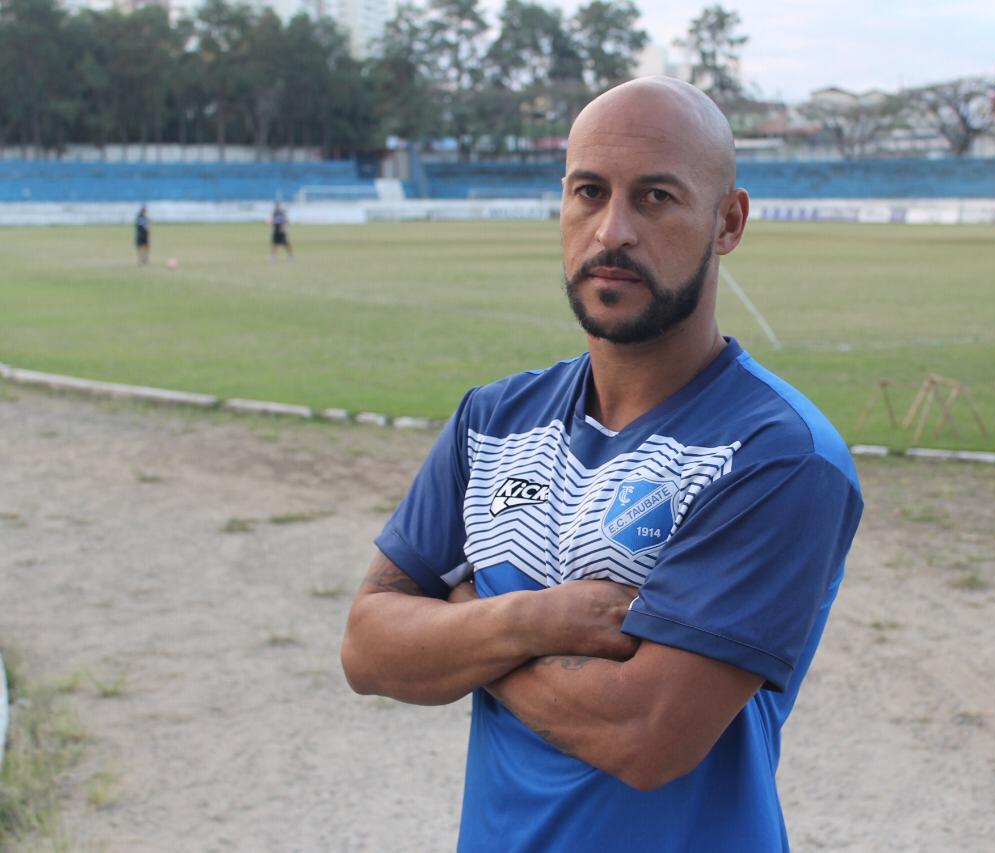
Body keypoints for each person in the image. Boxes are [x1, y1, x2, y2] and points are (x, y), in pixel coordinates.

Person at [341, 76, 864, 852]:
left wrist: (463, 625)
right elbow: (366, 646)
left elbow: (644, 733)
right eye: (589, 192)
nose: (612, 231)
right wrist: (532, 619)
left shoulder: (777, 454)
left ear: (728, 221)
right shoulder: (493, 420)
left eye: (655, 197)